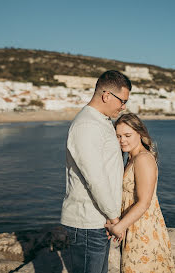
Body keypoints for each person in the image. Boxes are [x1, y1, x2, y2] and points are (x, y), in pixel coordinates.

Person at [61, 70, 132, 273]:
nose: (124, 106)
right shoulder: (87, 125)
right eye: (122, 101)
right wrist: (114, 217)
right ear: (107, 95)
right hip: (88, 223)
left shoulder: (101, 121)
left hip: (98, 221)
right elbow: (95, 178)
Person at [105, 113, 175, 273]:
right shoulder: (130, 158)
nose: (122, 140)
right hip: (133, 226)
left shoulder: (143, 159)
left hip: (144, 230)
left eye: (127, 135)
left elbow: (144, 202)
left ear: (140, 133)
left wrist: (118, 227)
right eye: (118, 136)